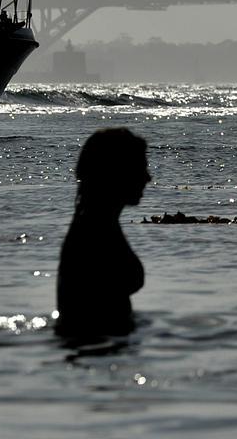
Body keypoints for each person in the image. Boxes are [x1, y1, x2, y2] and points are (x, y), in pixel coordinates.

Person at [55, 127, 151, 338]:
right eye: (140, 168)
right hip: (97, 343)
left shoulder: (96, 223)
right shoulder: (94, 232)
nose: (148, 178)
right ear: (117, 172)